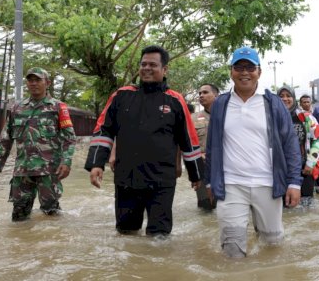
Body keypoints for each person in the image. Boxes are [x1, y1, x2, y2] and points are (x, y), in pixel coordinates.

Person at [84, 45, 202, 237]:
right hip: (126, 179)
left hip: (162, 181)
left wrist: (196, 175)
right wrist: (97, 164)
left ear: (164, 70)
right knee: (126, 235)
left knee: (159, 238)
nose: (147, 68)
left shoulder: (175, 100)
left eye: (153, 65)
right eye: (143, 64)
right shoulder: (121, 96)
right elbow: (103, 130)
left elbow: (188, 139)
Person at [204, 46, 302, 258]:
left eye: (250, 67)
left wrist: (294, 182)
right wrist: (210, 182)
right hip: (231, 184)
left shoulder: (273, 103)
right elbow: (212, 146)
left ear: (259, 72)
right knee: (232, 249)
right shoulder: (221, 103)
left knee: (272, 245)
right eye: (239, 67)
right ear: (231, 72)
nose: (244, 72)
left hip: (267, 184)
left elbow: (290, 144)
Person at [0, 67, 76, 221]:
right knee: (19, 217)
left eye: (38, 80)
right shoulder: (17, 108)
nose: (33, 83)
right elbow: (5, 139)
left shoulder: (58, 107)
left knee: (51, 215)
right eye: (30, 80)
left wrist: (66, 162)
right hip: (23, 171)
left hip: (48, 172)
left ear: (47, 83)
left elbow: (70, 137)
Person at [277, 86, 319, 206]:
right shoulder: (271, 118)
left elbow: (318, 139)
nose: (285, 99)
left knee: (306, 205)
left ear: (293, 98)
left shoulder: (306, 117)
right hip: (280, 169)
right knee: (284, 205)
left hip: (305, 168)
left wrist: (311, 162)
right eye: (281, 96)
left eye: (288, 96)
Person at [192, 83, 220, 210]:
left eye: (205, 92)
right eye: (199, 93)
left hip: (224, 167)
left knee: (225, 205)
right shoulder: (193, 119)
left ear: (216, 95)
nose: (201, 95)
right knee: (206, 207)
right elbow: (187, 146)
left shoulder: (227, 116)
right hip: (202, 167)